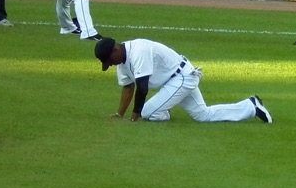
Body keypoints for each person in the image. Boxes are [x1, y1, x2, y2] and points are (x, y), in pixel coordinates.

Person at [95, 37, 272, 123]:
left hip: (182, 77)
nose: (110, 65)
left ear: (115, 50)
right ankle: (251, 106)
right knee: (203, 115)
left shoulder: (138, 51)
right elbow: (128, 87)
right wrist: (120, 114)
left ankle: (163, 112)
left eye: (109, 61)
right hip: (176, 79)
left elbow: (142, 87)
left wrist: (135, 116)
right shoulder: (121, 62)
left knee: (147, 112)